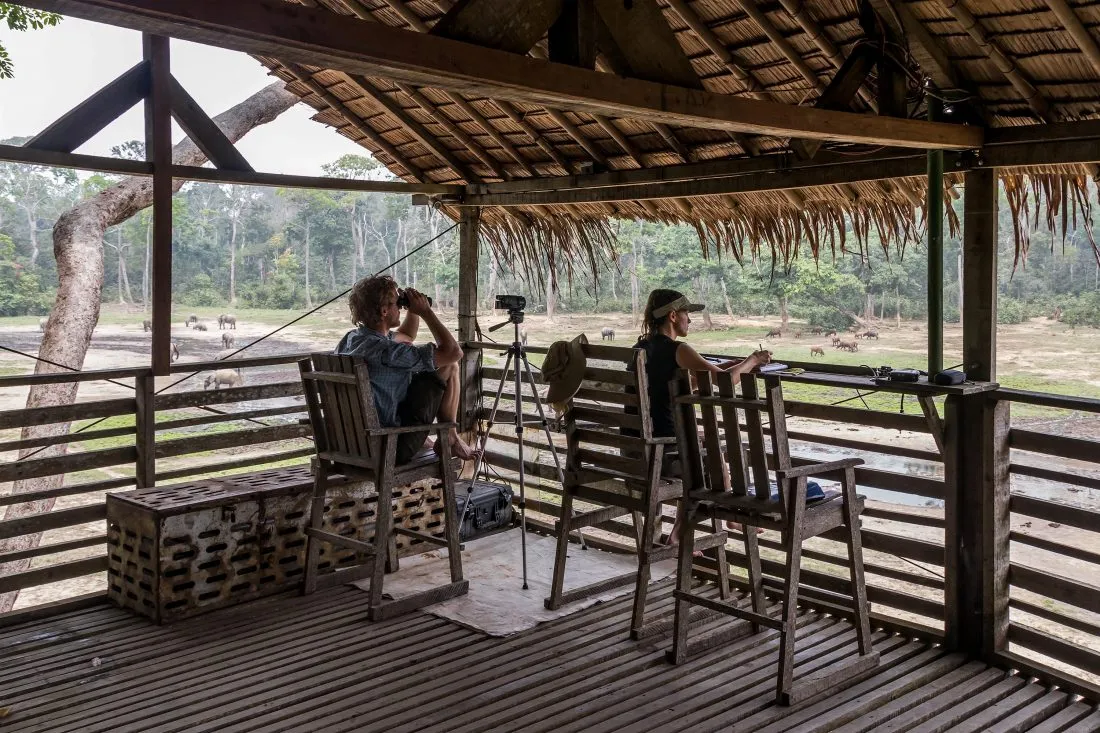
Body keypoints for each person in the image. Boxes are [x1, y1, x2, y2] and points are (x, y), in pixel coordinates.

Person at [633, 289, 771, 544]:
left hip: (636, 450)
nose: (690, 319)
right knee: (715, 461)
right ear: (673, 316)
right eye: (686, 313)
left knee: (706, 448)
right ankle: (719, 519)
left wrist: (734, 366)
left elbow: (685, 385)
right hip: (661, 455)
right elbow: (726, 382)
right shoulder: (678, 349)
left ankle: (694, 528)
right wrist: (752, 360)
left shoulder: (641, 348)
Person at [335, 275, 479, 464]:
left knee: (433, 372)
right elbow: (453, 352)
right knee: (449, 365)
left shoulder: (352, 339)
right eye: (397, 303)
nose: (400, 307)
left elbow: (407, 335)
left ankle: (445, 438)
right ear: (385, 310)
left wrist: (414, 310)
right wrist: (426, 312)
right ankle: (450, 436)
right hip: (388, 448)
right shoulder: (388, 352)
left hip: (351, 443)